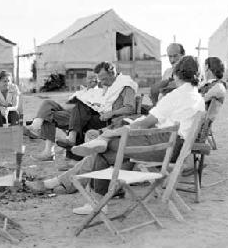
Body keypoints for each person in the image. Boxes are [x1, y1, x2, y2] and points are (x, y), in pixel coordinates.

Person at [27, 56, 205, 214]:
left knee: (105, 148)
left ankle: (87, 193)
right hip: (175, 147)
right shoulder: (197, 97)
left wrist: (122, 129)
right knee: (108, 152)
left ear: (176, 74)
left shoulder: (176, 96)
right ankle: (72, 183)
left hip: (163, 145)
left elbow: (146, 123)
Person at [26, 62, 138, 161]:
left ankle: (67, 141)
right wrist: (89, 91)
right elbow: (98, 100)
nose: (102, 82)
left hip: (106, 120)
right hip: (88, 114)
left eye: (104, 79)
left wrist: (111, 113)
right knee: (49, 107)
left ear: (112, 73)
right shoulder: (108, 85)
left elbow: (130, 108)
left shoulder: (125, 85)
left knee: (78, 107)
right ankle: (46, 141)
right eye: (100, 79)